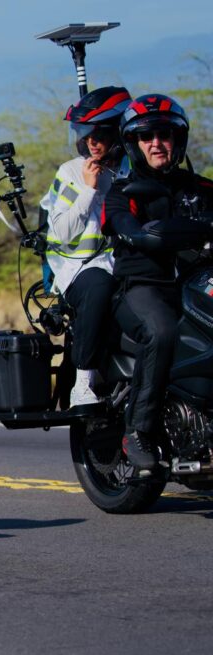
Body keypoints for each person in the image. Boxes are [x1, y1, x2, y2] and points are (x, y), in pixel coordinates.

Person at [102, 94, 213, 470]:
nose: (156, 143)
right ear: (133, 144)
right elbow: (132, 230)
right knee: (161, 332)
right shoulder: (123, 192)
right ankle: (139, 430)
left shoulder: (201, 188)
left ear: (177, 139)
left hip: (195, 283)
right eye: (145, 137)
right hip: (142, 288)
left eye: (164, 135)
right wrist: (160, 232)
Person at [40, 86, 131, 408]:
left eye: (99, 133)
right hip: (80, 267)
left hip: (125, 262)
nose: (91, 141)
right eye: (85, 133)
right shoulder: (71, 172)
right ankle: (83, 383)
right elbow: (63, 233)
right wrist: (89, 191)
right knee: (99, 286)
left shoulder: (132, 168)